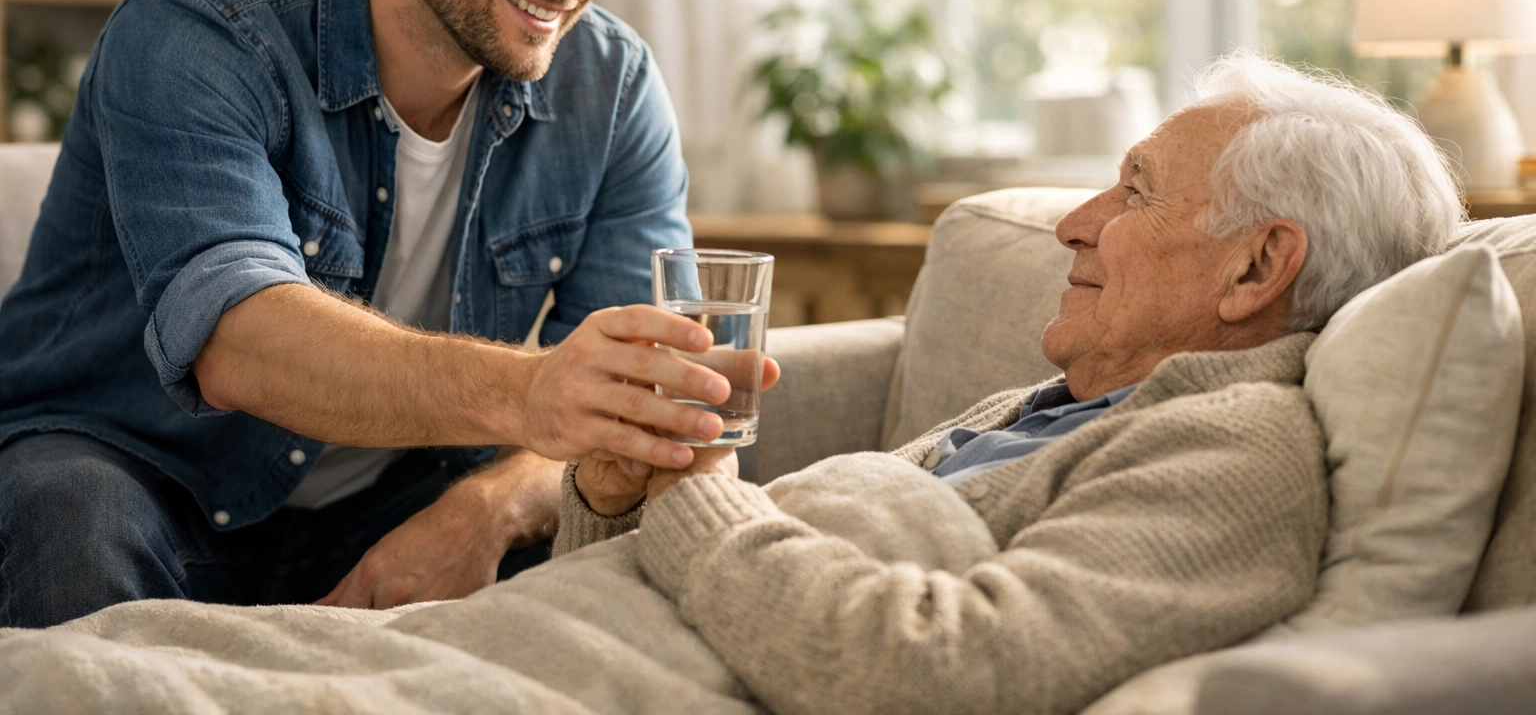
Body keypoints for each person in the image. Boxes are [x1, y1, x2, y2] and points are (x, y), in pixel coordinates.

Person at [0, 0, 775, 629]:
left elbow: (612, 403)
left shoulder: (611, 89)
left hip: (393, 503)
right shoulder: (198, 31)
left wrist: (488, 507)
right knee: (68, 514)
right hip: (137, 469)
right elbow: (237, 344)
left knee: (614, 568)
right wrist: (531, 394)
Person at [557, 54, 1464, 715]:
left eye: (1133, 194)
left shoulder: (1239, 455)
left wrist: (695, 494)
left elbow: (942, 675)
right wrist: (609, 497)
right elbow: (625, 606)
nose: (1073, 223)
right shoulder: (1049, 408)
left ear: (1257, 268)